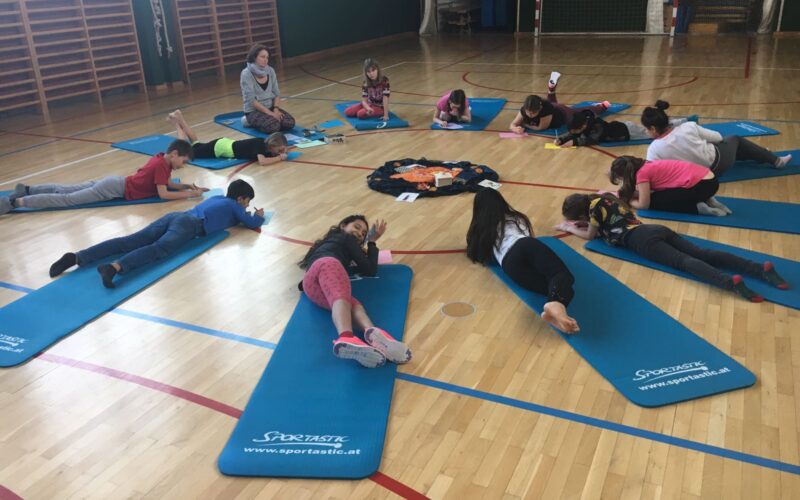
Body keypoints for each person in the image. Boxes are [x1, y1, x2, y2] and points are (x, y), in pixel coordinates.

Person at [557, 193, 789, 302]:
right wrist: (585, 220)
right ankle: (759, 269)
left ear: (581, 213)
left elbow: (589, 236)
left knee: (684, 262)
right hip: (656, 229)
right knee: (703, 253)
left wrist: (569, 227)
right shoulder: (605, 199)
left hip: (641, 240)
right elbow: (604, 219)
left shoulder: (594, 213)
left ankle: (730, 283)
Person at [48, 180, 265, 288]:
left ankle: (78, 257)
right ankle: (114, 267)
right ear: (241, 199)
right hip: (190, 225)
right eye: (248, 201)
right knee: (159, 249)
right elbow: (250, 222)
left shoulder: (218, 199)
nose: (247, 205)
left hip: (175, 216)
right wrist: (259, 216)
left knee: (129, 240)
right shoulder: (236, 206)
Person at [298, 215, 412, 368]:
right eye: (357, 227)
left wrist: (363, 246)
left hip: (310, 287)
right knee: (341, 297)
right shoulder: (345, 238)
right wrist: (371, 241)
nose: (359, 233)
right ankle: (346, 337)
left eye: (363, 233)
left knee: (352, 304)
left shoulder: (331, 243)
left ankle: (372, 333)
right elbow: (370, 269)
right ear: (343, 226)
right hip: (327, 265)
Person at [466, 189, 579, 334]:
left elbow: (476, 253)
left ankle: (556, 310)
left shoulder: (480, 230)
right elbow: (529, 240)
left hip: (509, 265)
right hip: (524, 245)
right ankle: (556, 306)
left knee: (550, 287)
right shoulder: (515, 218)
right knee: (561, 276)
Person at [0, 139, 205, 215]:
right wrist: (189, 195)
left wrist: (187, 186)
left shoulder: (162, 159)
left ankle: (26, 189)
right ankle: (15, 201)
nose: (183, 165)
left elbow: (167, 184)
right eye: (184, 161)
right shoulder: (163, 164)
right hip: (114, 188)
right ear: (175, 154)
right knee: (67, 199)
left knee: (66, 189)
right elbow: (163, 194)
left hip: (115, 182)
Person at [642, 100, 791, 175]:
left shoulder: (653, 149)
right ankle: (775, 160)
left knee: (733, 149)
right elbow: (719, 137)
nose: (645, 132)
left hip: (699, 176)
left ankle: (761, 153)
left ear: (653, 129)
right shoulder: (688, 127)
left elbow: (653, 172)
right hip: (717, 163)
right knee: (735, 139)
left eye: (646, 129)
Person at [608, 155, 731, 216]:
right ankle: (708, 199)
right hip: (711, 180)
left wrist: (629, 201)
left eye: (621, 179)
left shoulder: (641, 174)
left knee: (655, 202)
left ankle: (698, 207)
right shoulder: (646, 164)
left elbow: (644, 205)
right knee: (660, 195)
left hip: (702, 186)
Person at [168, 109, 288, 166]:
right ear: (272, 146)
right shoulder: (260, 146)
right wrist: (280, 158)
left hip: (223, 144)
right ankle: (177, 123)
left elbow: (272, 153)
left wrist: (282, 151)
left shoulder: (265, 144)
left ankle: (180, 117)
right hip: (220, 148)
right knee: (185, 152)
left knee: (196, 144)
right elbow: (262, 162)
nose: (280, 153)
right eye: (279, 150)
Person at [509, 72, 609, 133]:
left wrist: (525, 125)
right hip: (553, 106)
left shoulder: (545, 110)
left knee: (580, 112)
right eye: (528, 112)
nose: (530, 115)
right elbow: (512, 124)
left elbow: (540, 127)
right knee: (551, 103)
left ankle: (602, 106)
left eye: (533, 113)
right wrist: (515, 128)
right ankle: (551, 89)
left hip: (562, 113)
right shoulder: (524, 110)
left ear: (539, 109)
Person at [554, 109, 697, 147]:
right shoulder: (582, 124)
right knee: (657, 127)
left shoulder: (596, 125)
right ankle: (683, 121)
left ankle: (685, 122)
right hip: (624, 126)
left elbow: (592, 139)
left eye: (575, 131)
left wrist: (575, 142)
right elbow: (572, 132)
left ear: (583, 126)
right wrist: (561, 139)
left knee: (659, 129)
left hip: (628, 132)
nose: (573, 133)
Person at [240, 44, 296, 134]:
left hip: (270, 107)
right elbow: (251, 100)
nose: (265, 60)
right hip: (253, 111)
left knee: (289, 123)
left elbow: (277, 94)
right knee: (273, 127)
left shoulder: (270, 71)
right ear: (254, 57)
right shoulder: (246, 74)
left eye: (267, 57)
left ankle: (265, 121)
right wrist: (271, 114)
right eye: (262, 57)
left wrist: (276, 110)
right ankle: (247, 120)